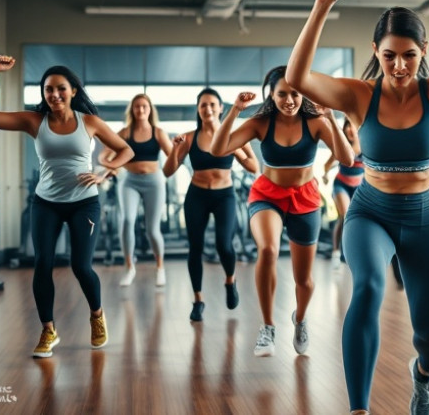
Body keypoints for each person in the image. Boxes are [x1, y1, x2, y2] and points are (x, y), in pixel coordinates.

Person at [285, 0, 429, 415]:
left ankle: (423, 373)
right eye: (389, 56)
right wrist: (322, 4)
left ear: (424, 50)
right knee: (366, 287)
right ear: (376, 52)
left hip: (424, 219)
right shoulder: (358, 96)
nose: (400, 65)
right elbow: (297, 78)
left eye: (409, 55)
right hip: (370, 212)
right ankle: (359, 408)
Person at [0, 57, 134, 358]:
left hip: (84, 202)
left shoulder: (89, 122)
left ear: (73, 91)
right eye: (48, 90)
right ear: (43, 93)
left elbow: (126, 150)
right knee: (42, 264)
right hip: (46, 203)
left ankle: (97, 316)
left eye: (61, 89)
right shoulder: (34, 121)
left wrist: (103, 173)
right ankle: (48, 330)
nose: (54, 95)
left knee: (80, 266)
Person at [210, 66, 354, 357]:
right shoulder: (261, 122)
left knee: (305, 280)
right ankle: (267, 327)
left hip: (305, 198)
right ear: (271, 95)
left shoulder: (315, 121)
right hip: (267, 195)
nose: (289, 100)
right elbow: (219, 149)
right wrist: (235, 110)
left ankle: (300, 318)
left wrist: (331, 118)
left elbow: (346, 157)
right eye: (282, 94)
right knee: (268, 251)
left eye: (296, 94)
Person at [162, 88, 256, 322]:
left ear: (221, 108)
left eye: (212, 104)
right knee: (195, 248)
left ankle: (230, 281)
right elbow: (167, 171)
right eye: (203, 105)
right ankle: (198, 300)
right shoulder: (189, 137)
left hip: (224, 196)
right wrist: (175, 150)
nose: (208, 109)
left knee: (224, 245)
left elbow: (254, 167)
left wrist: (236, 152)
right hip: (197, 196)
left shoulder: (233, 134)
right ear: (198, 109)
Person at [98, 94, 173, 287]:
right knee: (127, 220)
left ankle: (160, 267)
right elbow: (103, 154)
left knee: (152, 229)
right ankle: (130, 267)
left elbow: (173, 157)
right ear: (132, 110)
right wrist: (111, 165)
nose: (140, 110)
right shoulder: (125, 132)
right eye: (137, 107)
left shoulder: (158, 133)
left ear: (150, 110)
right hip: (129, 181)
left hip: (154, 181)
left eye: (144, 107)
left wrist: (178, 148)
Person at [322, 117, 363, 269]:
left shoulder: (366, 145)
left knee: (354, 220)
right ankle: (337, 252)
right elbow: (327, 165)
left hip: (359, 187)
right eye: (347, 127)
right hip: (341, 185)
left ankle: (353, 253)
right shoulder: (341, 146)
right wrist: (325, 175)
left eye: (353, 126)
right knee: (346, 216)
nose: (350, 130)